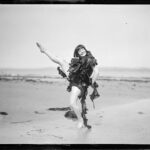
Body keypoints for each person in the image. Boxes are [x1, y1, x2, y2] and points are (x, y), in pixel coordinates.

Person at [36, 42, 99, 129]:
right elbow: (74, 68)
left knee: (72, 104)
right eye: (79, 50)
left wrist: (92, 81)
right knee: (60, 60)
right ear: (77, 53)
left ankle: (80, 120)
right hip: (74, 78)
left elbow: (96, 71)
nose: (81, 51)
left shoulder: (91, 59)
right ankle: (44, 51)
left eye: (82, 49)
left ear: (85, 49)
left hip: (81, 84)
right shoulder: (77, 61)